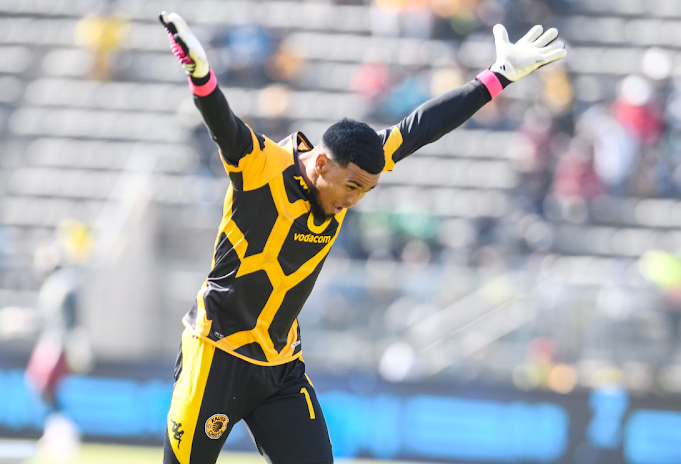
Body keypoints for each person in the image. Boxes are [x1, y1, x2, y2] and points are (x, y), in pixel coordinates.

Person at [159, 11, 566, 464]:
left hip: (279, 367)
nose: (354, 199)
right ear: (320, 165)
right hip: (216, 355)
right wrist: (201, 76)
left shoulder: (355, 166)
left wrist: (499, 76)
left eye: (366, 191)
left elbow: (421, 128)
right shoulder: (259, 167)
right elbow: (223, 124)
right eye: (351, 186)